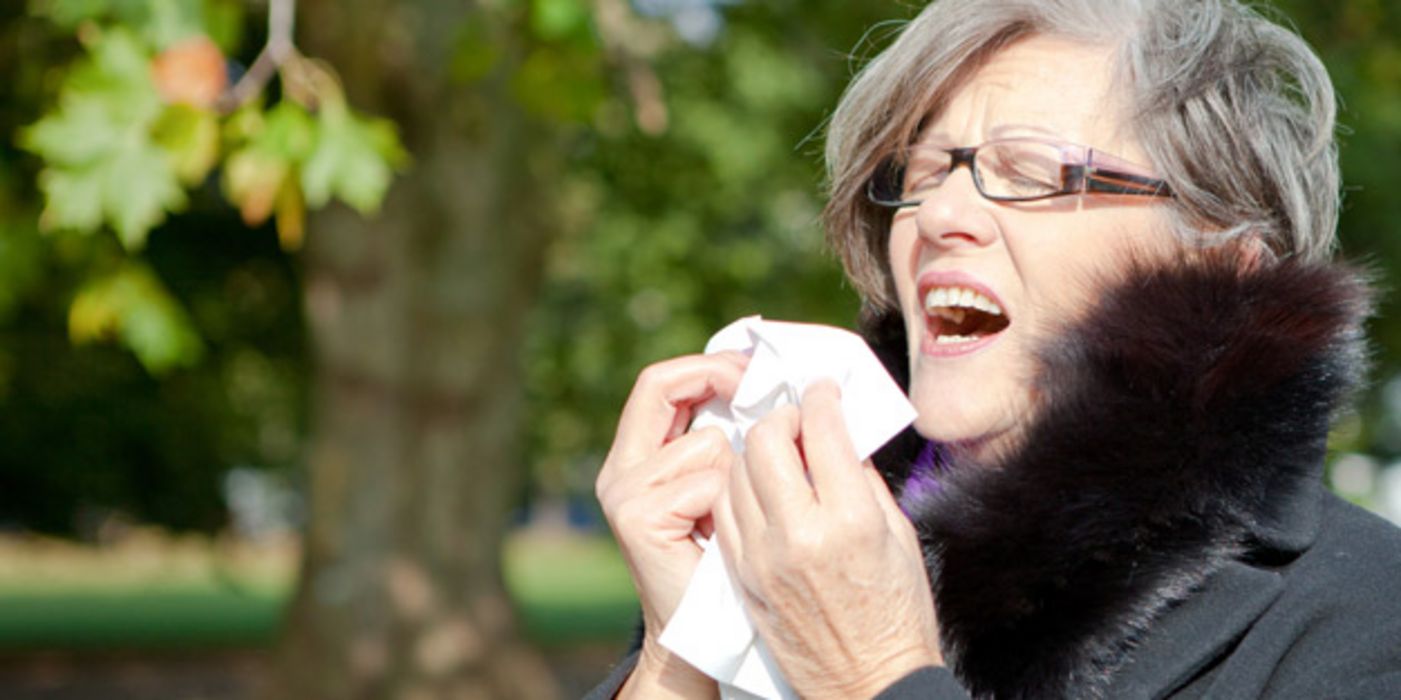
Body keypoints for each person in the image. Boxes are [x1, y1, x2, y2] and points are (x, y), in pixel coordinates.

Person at [588, 0, 1401, 697]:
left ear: (1218, 262)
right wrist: (675, 654)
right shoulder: (791, 546)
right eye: (927, 168)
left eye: (1033, 172)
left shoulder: (1366, 619)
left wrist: (876, 674)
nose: (940, 214)